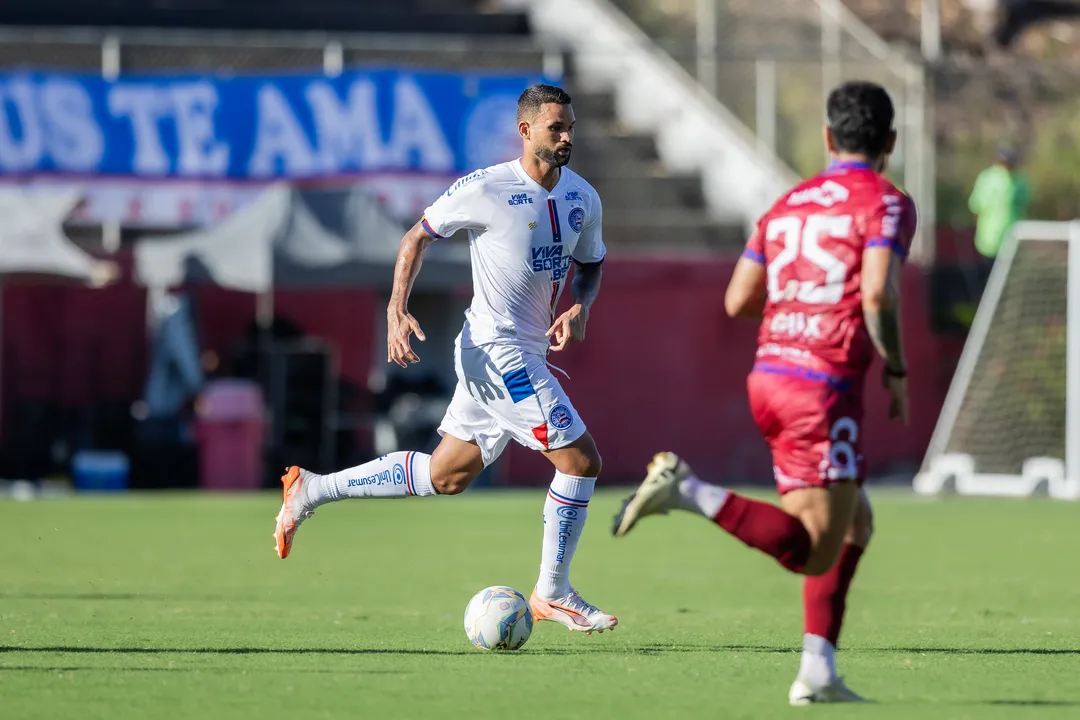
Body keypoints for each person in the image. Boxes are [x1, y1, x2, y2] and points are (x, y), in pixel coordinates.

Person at [612, 80, 916, 704]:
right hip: (822, 388)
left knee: (856, 520)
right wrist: (896, 366)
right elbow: (880, 293)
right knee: (811, 550)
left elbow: (737, 299)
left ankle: (819, 669)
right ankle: (687, 491)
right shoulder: (886, 203)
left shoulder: (788, 203)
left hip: (771, 375)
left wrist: (798, 315)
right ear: (889, 142)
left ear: (829, 139)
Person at [273, 83, 616, 635]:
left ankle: (312, 488)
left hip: (521, 352)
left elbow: (592, 263)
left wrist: (580, 304)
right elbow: (416, 237)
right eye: (556, 128)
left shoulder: (583, 198)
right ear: (526, 131)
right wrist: (395, 310)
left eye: (571, 126)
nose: (567, 136)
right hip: (496, 352)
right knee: (581, 461)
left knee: (446, 474)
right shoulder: (487, 188)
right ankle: (553, 592)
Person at [969, 146, 1030, 261]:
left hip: (1012, 241)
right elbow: (976, 207)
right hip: (989, 242)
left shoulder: (1020, 180)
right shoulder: (987, 178)